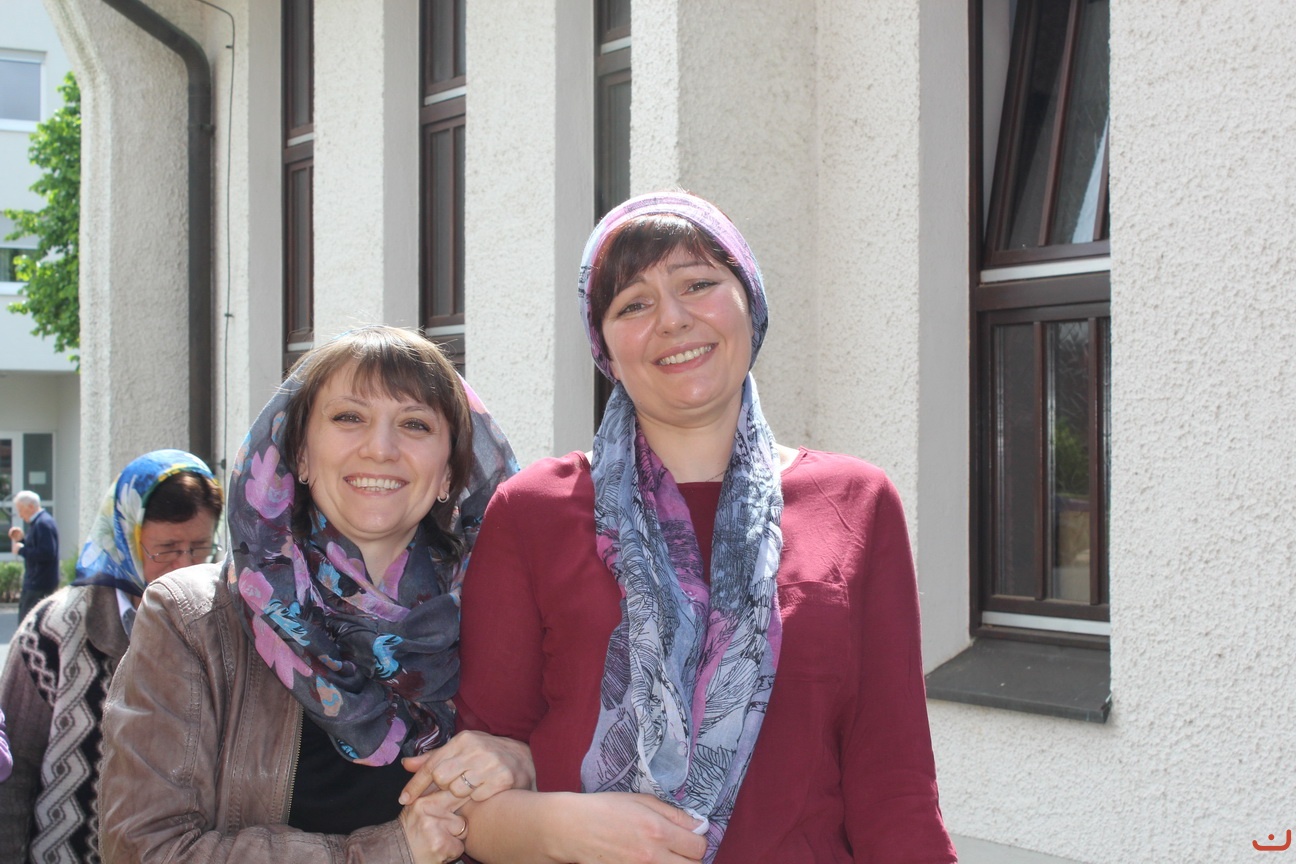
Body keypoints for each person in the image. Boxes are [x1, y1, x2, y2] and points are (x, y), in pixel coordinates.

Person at [410, 192, 958, 863]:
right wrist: (573, 829)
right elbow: (476, 797)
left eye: (698, 284)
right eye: (633, 304)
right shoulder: (532, 512)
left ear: (750, 303)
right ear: (605, 347)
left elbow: (895, 785)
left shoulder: (856, 501)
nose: (672, 319)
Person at [99, 326, 528, 864]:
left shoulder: (508, 617)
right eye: (349, 417)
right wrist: (388, 852)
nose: (380, 448)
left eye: (415, 424)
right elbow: (142, 848)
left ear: (450, 472)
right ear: (299, 455)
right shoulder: (192, 620)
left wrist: (527, 765)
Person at [0, 449, 223, 862]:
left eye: (200, 547)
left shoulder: (225, 630)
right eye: (166, 549)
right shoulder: (53, 631)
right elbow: (13, 776)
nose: (185, 565)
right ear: (126, 538)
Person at [9, 490, 59, 622]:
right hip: (36, 581)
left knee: (28, 623)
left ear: (31, 506)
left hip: (39, 583)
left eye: (21, 510)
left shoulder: (43, 523)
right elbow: (38, 548)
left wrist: (22, 550)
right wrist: (22, 540)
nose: (20, 515)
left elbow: (47, 553)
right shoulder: (39, 523)